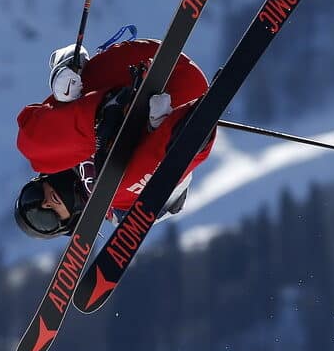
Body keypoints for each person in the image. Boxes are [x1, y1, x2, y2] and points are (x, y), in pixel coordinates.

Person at [13, 34, 215, 239]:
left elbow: (37, 126)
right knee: (118, 193)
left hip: (133, 69)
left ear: (39, 182)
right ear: (67, 224)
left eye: (34, 196)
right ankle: (182, 131)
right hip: (184, 103)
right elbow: (172, 201)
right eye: (45, 218)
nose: (45, 204)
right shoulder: (116, 210)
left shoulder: (58, 152)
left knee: (29, 146)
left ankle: (107, 109)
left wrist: (68, 74)